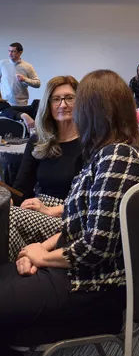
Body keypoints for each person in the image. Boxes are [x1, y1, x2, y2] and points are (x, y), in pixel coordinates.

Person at [0, 69, 139, 356]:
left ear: (94, 109)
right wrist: (37, 249)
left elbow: (96, 245)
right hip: (75, 273)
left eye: (77, 102)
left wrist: (41, 257)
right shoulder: (106, 153)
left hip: (91, 287)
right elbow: (78, 224)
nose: (71, 109)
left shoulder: (118, 156)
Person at [9, 76, 83, 261]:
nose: (62, 104)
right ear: (48, 104)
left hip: (70, 217)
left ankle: (25, 262)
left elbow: (88, 200)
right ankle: (27, 262)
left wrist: (51, 209)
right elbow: (21, 187)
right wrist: (9, 201)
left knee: (7, 219)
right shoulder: (38, 141)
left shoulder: (90, 143)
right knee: (4, 216)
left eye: (69, 98)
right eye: (56, 99)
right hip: (37, 209)